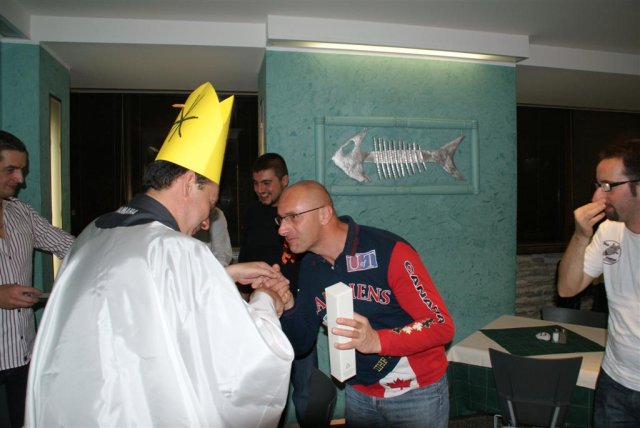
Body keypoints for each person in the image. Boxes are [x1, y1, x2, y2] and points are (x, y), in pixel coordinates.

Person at [24, 82, 294, 427]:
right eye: (209, 204)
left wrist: (221, 275)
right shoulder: (178, 251)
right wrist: (266, 298)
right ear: (188, 183)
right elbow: (245, 366)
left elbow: (140, 301)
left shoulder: (92, 233)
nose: (205, 222)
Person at [274, 180, 455, 428]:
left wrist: (377, 340)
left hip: (416, 391)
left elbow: (441, 325)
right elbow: (301, 344)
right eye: (280, 219)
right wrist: (288, 305)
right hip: (359, 392)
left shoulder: (388, 251)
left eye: (293, 217)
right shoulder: (310, 266)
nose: (282, 229)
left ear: (324, 214)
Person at [558, 138, 640, 427]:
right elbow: (567, 288)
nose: (596, 196)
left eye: (608, 186)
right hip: (615, 380)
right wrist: (581, 236)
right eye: (597, 184)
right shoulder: (608, 231)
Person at [0, 130, 74, 428]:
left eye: (22, 170)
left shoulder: (22, 214)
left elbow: (71, 247)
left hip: (24, 359)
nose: (20, 179)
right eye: (10, 170)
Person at [238, 153, 317, 425]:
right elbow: (245, 259)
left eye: (267, 183)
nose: (260, 189)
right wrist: (245, 305)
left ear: (284, 181)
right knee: (269, 392)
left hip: (297, 311)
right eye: (256, 183)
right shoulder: (251, 213)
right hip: (263, 311)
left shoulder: (301, 214)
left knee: (306, 390)